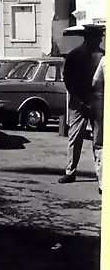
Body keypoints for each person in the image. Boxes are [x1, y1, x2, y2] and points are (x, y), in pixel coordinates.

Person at [58, 24, 105, 186]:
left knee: (91, 141)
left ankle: (77, 173)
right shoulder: (81, 56)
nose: (101, 39)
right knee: (86, 140)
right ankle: (74, 172)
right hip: (85, 103)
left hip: (87, 102)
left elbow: (67, 79)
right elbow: (68, 79)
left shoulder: (81, 55)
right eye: (98, 37)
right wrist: (82, 99)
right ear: (89, 38)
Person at [91, 53, 104, 195]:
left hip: (103, 108)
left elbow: (95, 82)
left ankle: (102, 183)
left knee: (100, 144)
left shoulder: (105, 60)